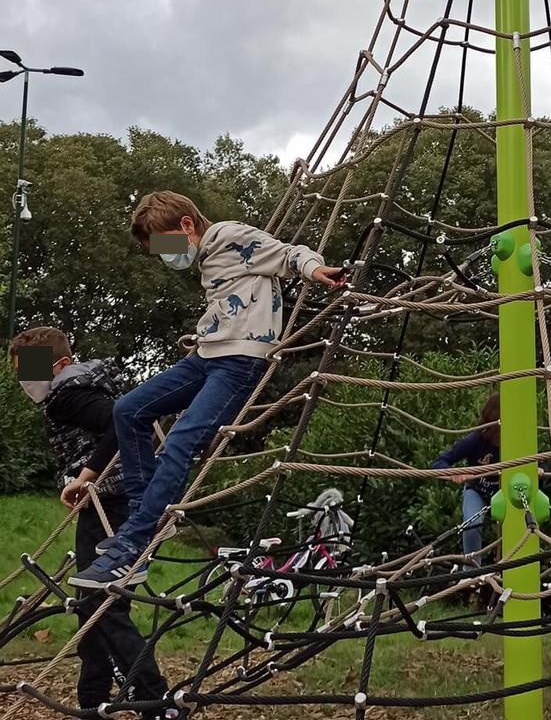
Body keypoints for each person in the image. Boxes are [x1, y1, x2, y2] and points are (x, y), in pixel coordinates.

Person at [69, 192, 345, 592]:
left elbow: (288, 253)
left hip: (239, 360)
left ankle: (133, 547)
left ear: (185, 226)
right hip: (207, 355)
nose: (166, 257)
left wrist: (316, 270)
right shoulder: (206, 259)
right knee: (129, 409)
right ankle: (144, 518)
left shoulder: (230, 236)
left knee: (181, 440)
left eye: (165, 246)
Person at [9, 326, 187, 720]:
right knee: (94, 608)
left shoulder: (68, 394)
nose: (25, 382)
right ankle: (93, 715)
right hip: (117, 500)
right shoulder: (88, 385)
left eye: (29, 371)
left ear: (62, 364)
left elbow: (121, 423)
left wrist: (87, 475)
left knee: (102, 607)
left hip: (111, 500)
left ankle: (157, 707)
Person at [432, 393, 501, 568]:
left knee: (517, 525)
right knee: (471, 523)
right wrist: (453, 473)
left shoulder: (517, 441)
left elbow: (542, 462)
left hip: (504, 491)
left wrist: (539, 469)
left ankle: (508, 566)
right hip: (477, 490)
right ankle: (470, 570)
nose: (498, 439)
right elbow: (439, 462)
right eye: (496, 434)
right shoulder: (475, 439)